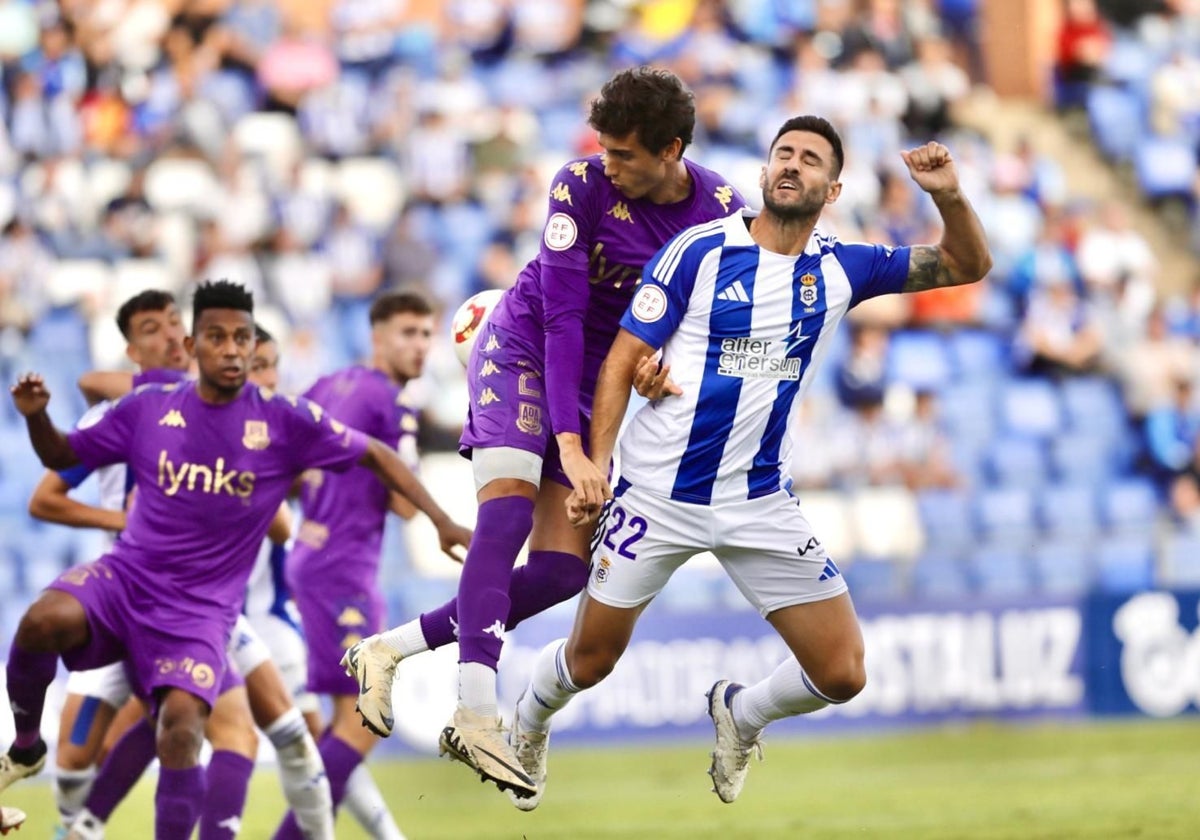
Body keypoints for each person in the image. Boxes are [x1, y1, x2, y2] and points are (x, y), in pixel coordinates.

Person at [509, 115, 992, 809]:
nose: (792, 165)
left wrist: (946, 195)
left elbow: (967, 265)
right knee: (591, 660)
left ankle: (743, 713)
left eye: (811, 159)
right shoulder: (697, 252)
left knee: (843, 672)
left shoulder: (842, 267)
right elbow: (619, 362)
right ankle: (528, 721)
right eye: (783, 154)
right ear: (765, 173)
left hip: (759, 501)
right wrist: (598, 464)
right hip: (656, 494)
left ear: (832, 188)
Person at [341, 65, 746, 801]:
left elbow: (702, 328)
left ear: (671, 150)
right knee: (506, 508)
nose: (607, 164)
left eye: (623, 155)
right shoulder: (579, 186)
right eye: (604, 148)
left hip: (605, 387)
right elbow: (562, 318)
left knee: (561, 573)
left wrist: (659, 370)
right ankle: (476, 710)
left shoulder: (721, 214)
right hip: (524, 348)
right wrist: (572, 446)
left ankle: (388, 650)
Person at [0, 281, 471, 837]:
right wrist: (35, 416)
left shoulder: (284, 419)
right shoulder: (148, 405)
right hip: (125, 578)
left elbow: (376, 454)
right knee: (42, 621)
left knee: (187, 725)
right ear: (193, 344)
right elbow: (61, 455)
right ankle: (28, 747)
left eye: (242, 339)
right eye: (217, 337)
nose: (231, 350)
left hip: (202, 609)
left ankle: (90, 825)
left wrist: (441, 520)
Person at [56, 323, 337, 840]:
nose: (265, 378)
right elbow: (92, 385)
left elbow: (283, 523)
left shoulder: (269, 427)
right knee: (97, 748)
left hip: (231, 612)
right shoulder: (189, 422)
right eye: (255, 367)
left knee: (276, 734)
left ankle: (86, 824)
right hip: (176, 603)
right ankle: (81, 823)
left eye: (270, 366)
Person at [273, 292, 435, 840]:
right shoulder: (391, 401)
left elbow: (288, 469)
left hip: (311, 555)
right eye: (408, 333)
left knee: (345, 724)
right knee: (364, 724)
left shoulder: (325, 385)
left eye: (426, 334)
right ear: (377, 337)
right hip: (343, 568)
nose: (419, 345)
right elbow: (407, 506)